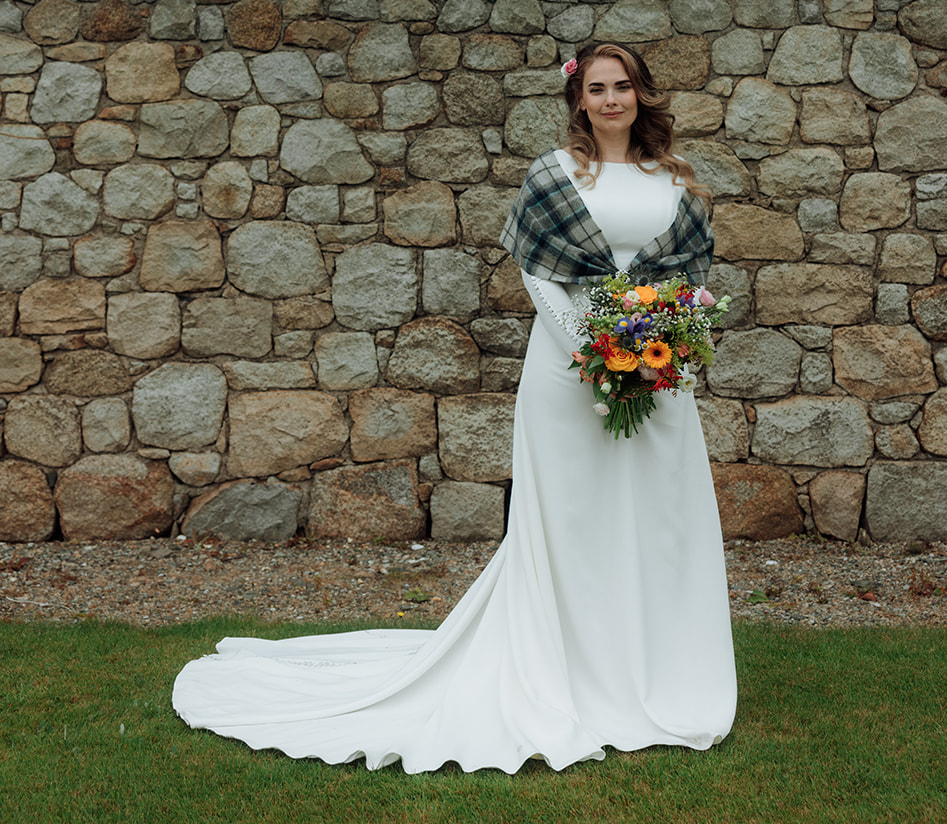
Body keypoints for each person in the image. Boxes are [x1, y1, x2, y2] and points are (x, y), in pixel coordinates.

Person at [172, 41, 736, 772]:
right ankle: (574, 676)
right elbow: (539, 274)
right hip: (569, 373)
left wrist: (650, 351)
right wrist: (591, 352)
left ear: (641, 95)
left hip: (658, 374)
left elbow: (687, 285)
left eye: (621, 86)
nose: (609, 100)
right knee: (574, 522)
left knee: (660, 519)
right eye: (596, 88)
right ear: (578, 99)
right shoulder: (554, 173)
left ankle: (661, 676)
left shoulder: (674, 179)